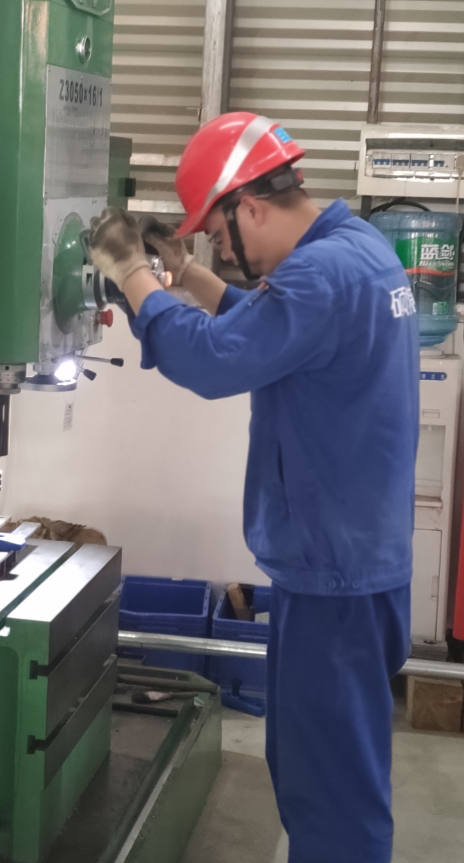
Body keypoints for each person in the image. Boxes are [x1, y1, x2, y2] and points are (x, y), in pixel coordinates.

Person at [89, 112, 419, 863]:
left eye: (217, 235)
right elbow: (274, 328)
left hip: (334, 577)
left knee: (331, 794)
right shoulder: (357, 250)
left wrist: (131, 271)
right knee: (319, 771)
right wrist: (187, 273)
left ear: (249, 206)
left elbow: (215, 361)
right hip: (353, 564)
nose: (224, 252)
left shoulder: (319, 275)